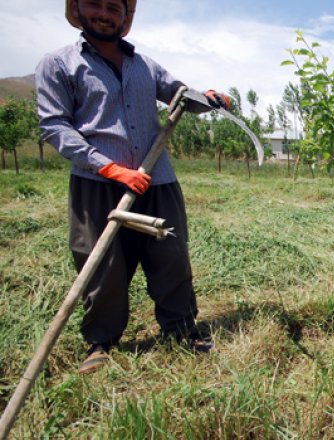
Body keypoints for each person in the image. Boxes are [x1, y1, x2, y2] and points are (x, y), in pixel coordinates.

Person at [36, 0, 232, 373]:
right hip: (97, 183)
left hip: (156, 179)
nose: (105, 14)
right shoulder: (59, 63)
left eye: (115, 7)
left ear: (126, 17)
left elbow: (178, 94)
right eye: (95, 4)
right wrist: (109, 167)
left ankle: (181, 330)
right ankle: (101, 342)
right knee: (102, 265)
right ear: (77, 9)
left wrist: (206, 100)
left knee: (171, 258)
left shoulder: (144, 65)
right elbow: (54, 125)